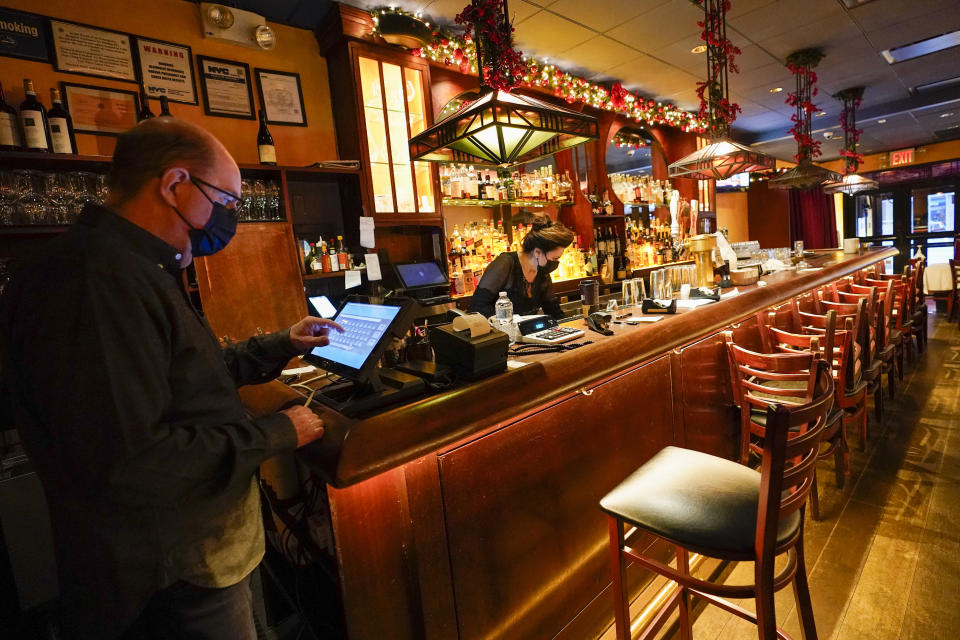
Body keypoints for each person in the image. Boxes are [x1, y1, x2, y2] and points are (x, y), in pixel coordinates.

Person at [0, 117, 343, 640]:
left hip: (193, 558)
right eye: (226, 203)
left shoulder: (133, 267)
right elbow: (131, 460)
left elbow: (189, 378)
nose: (229, 219)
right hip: (171, 570)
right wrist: (278, 432)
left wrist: (282, 343)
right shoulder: (96, 282)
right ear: (174, 184)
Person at [469, 215, 575, 319]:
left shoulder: (542, 273)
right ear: (537, 252)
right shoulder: (505, 264)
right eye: (554, 259)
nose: (556, 263)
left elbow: (553, 311)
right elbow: (478, 307)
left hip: (523, 334)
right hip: (497, 334)